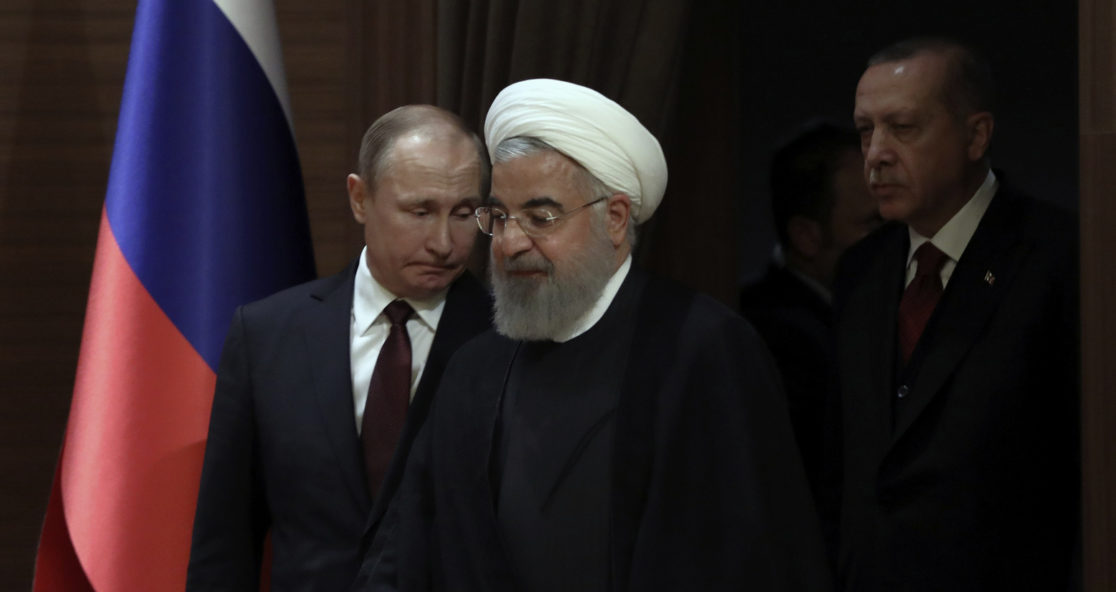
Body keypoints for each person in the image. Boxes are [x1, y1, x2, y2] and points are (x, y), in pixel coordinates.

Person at [357, 79, 831, 592]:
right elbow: (406, 551)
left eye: (541, 217)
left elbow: (756, 556)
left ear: (615, 218)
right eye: (499, 217)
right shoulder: (475, 367)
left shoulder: (704, 350)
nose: (512, 243)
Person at [186, 105, 493, 590]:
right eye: (420, 211)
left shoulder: (509, 339)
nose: (444, 242)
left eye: (462, 214)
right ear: (360, 198)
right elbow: (224, 542)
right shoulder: (267, 335)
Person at [834, 38, 1079, 590]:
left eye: (903, 127)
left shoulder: (1060, 256)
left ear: (976, 136)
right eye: (866, 130)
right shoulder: (861, 271)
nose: (876, 154)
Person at [740, 121, 880, 496]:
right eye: (875, 223)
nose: (900, 238)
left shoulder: (856, 315)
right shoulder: (776, 340)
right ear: (807, 237)